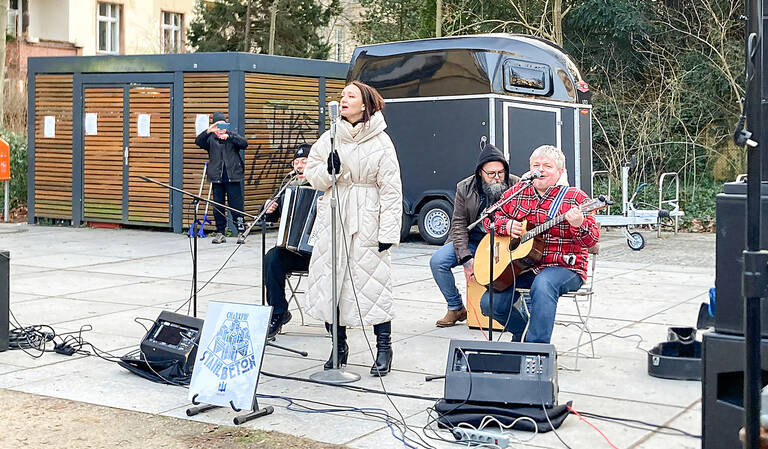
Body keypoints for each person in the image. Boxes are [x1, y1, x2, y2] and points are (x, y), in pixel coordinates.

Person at [303, 81, 403, 376]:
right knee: (330, 284)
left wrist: (387, 233)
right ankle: (339, 346)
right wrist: (328, 170)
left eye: (351, 96)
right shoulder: (330, 136)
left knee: (373, 286)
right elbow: (313, 174)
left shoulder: (382, 142)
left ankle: (384, 348)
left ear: (365, 104)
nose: (343, 100)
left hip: (367, 220)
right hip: (334, 216)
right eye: (342, 95)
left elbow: (391, 191)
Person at [480, 144, 599, 343]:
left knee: (543, 284)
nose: (541, 170)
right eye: (536, 165)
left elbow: (591, 240)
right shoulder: (518, 192)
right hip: (522, 266)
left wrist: (578, 224)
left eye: (547, 166)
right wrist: (505, 225)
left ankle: (535, 351)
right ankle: (522, 330)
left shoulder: (575, 198)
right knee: (490, 303)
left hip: (564, 266)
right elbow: (487, 217)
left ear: (560, 171)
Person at [430, 144, 519, 327]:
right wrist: (466, 259)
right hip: (473, 240)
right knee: (438, 262)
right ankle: (455, 307)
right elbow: (459, 224)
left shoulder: (516, 185)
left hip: (501, 242)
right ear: (480, 172)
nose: (497, 178)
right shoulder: (464, 188)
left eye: (501, 173)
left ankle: (512, 313)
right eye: (491, 174)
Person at [262, 143, 313, 340]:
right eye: (296, 162)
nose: (299, 166)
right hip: (296, 252)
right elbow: (267, 219)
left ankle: (333, 321)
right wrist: (267, 208)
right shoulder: (288, 189)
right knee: (272, 257)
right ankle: (278, 312)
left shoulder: (326, 188)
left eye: (304, 162)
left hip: (322, 253)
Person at [194, 111, 249, 244]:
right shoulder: (209, 139)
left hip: (233, 176)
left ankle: (241, 231)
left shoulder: (232, 136)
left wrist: (229, 136)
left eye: (223, 125)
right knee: (218, 205)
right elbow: (198, 142)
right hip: (216, 177)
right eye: (217, 125)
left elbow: (244, 144)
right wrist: (208, 130)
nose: (220, 128)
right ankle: (220, 232)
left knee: (236, 205)